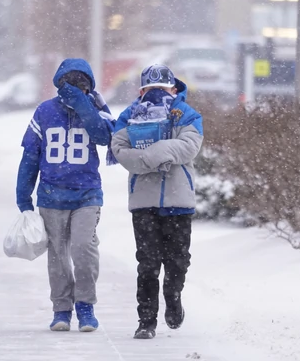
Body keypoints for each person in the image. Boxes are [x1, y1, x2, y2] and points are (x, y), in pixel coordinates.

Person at [16, 59, 114, 332]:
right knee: (57, 256)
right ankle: (61, 308)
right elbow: (31, 154)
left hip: (87, 195)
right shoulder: (45, 111)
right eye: (70, 82)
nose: (75, 87)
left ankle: (85, 306)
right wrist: (23, 195)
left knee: (83, 249)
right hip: (51, 195)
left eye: (81, 83)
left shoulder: (96, 109)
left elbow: (104, 137)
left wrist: (84, 106)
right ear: (59, 83)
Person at [110, 64, 204, 339]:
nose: (156, 94)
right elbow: (119, 149)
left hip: (179, 200)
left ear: (174, 89)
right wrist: (151, 160)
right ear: (141, 91)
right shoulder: (129, 116)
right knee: (147, 264)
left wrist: (153, 153)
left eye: (161, 89)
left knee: (178, 261)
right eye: (150, 89)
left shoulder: (187, 114)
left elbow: (189, 147)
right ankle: (146, 321)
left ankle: (173, 297)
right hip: (144, 201)